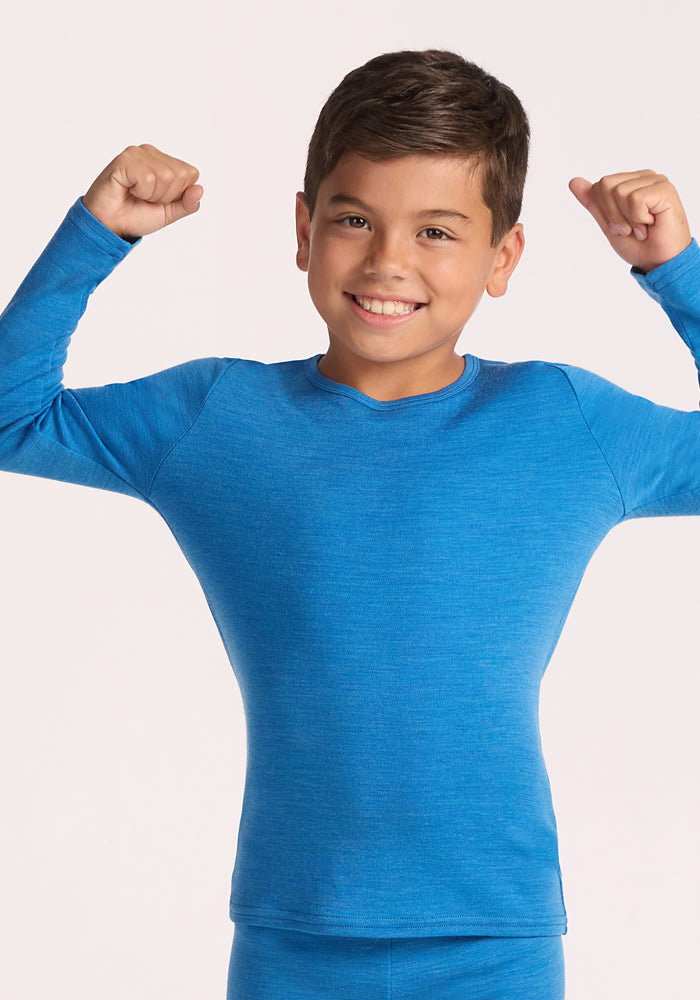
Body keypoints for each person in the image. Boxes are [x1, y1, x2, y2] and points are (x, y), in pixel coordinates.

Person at [0, 48, 698, 1000]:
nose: (387, 262)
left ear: (504, 259)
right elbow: (13, 418)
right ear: (304, 228)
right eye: (355, 219)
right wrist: (95, 235)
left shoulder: (564, 423)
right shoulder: (218, 418)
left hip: (495, 940)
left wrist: (676, 272)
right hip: (294, 938)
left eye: (438, 232)